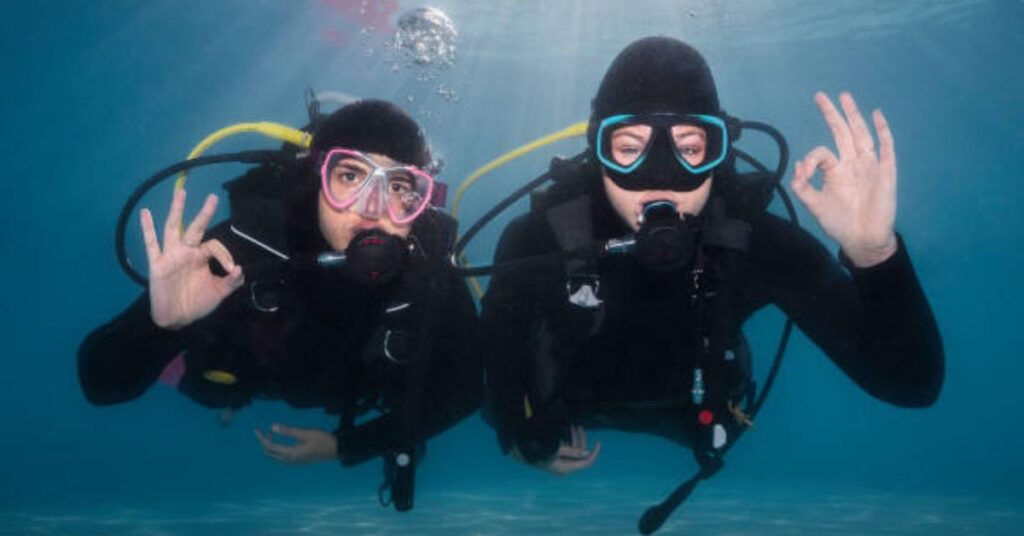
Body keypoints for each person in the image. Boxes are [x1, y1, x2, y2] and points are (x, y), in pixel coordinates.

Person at [479, 35, 943, 527]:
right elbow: (498, 349)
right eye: (630, 148)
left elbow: (911, 383)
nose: (660, 176)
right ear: (598, 151)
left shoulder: (752, 241)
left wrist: (874, 255)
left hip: (694, 415)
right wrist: (518, 435)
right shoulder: (539, 239)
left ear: (719, 151)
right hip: (567, 405)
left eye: (691, 148)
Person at [78, 99, 481, 511]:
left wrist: (346, 445)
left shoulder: (429, 270)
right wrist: (161, 326)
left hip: (345, 391)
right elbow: (99, 384)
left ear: (419, 201)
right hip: (250, 375)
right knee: (210, 386)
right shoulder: (244, 247)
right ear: (316, 178)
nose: (373, 207)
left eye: (398, 186)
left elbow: (466, 390)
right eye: (350, 175)